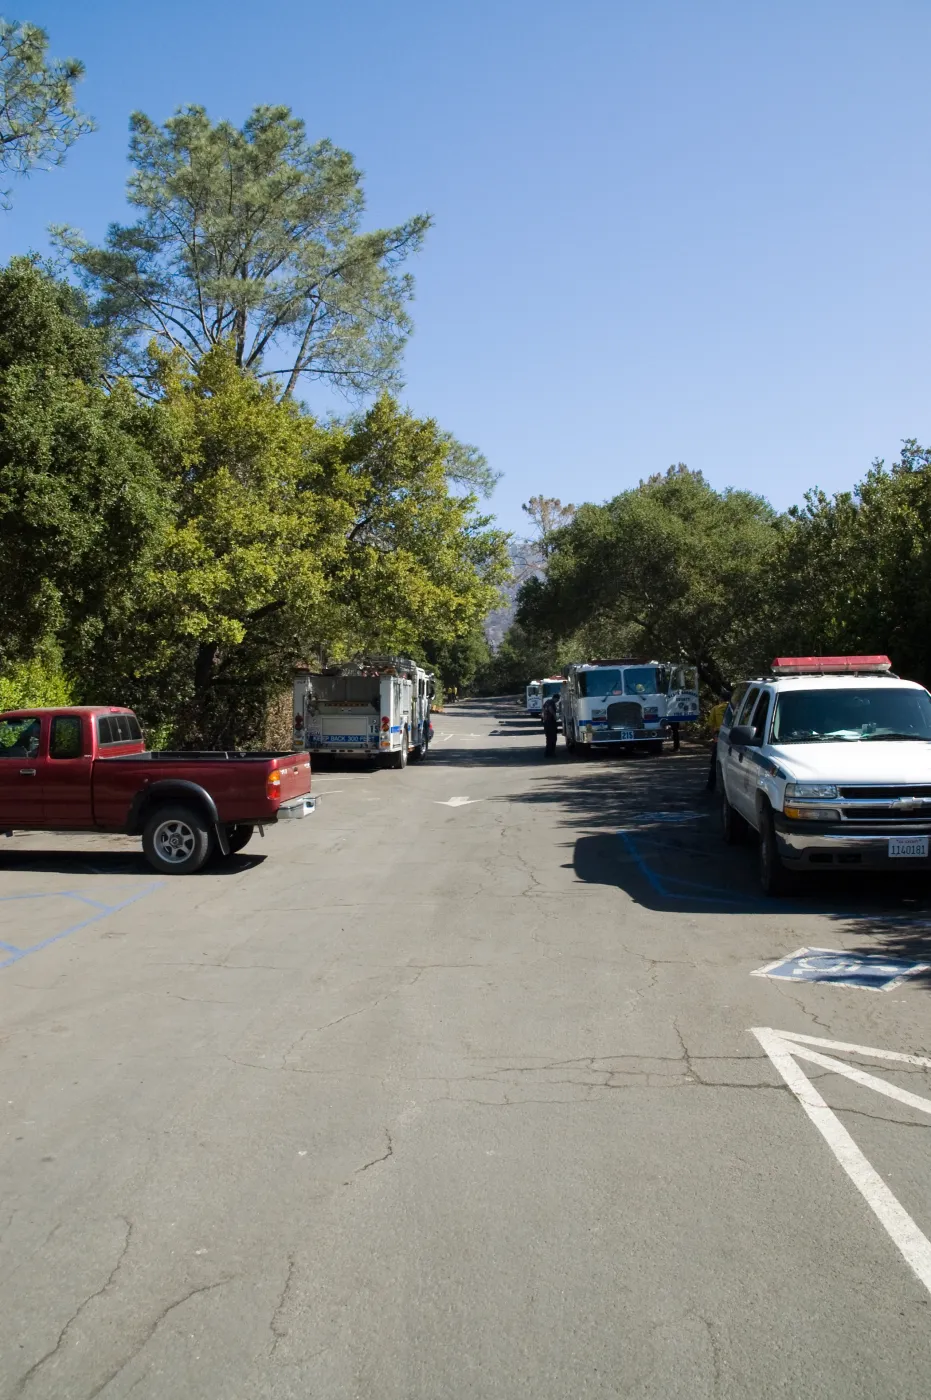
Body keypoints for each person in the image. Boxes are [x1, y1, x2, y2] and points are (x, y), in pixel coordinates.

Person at [706, 689, 732, 791]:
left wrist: (714, 738)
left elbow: (711, 726)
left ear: (721, 698)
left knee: (715, 762)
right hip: (733, 737)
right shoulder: (735, 709)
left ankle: (710, 786)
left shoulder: (716, 709)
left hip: (720, 736)